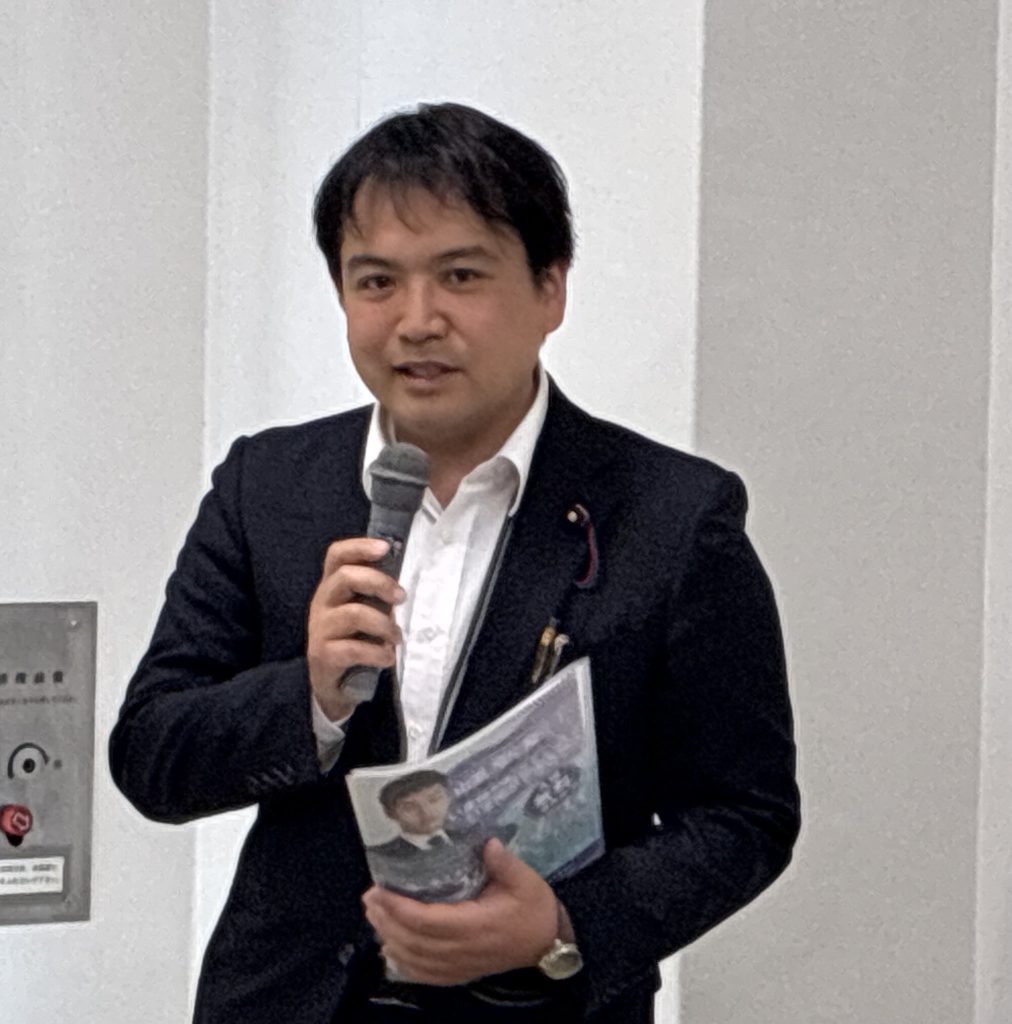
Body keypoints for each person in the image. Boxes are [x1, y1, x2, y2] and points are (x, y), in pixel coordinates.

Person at [109, 102, 800, 1024]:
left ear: (550, 290)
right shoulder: (267, 487)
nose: (417, 320)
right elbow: (151, 755)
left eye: (461, 276)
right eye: (376, 282)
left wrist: (564, 925)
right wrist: (309, 697)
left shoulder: (672, 517)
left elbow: (745, 816)